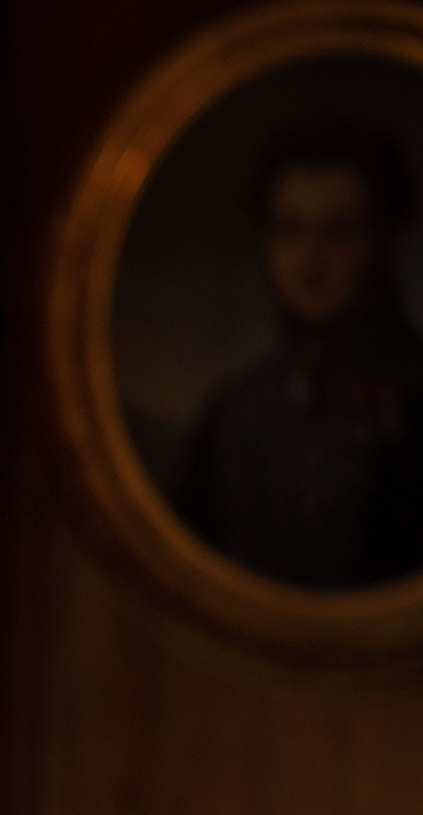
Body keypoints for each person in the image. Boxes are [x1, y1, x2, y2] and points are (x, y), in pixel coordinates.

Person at [176, 121, 423, 589]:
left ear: (386, 241)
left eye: (339, 231)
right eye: (291, 230)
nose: (311, 259)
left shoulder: (418, 399)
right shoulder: (237, 411)